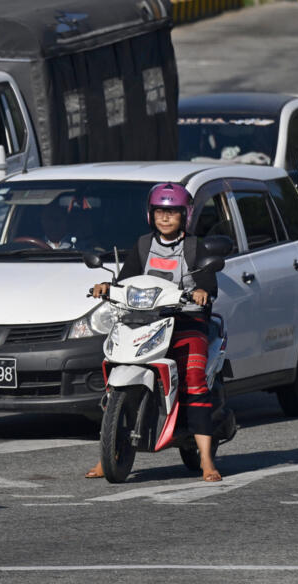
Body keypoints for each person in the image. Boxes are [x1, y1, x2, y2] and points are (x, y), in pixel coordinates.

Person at [86, 183, 222, 482]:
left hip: (187, 324)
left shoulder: (194, 247)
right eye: (160, 211)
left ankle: (208, 461)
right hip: (146, 322)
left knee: (195, 380)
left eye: (172, 212)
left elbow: (209, 281)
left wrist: (201, 291)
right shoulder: (143, 245)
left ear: (184, 215)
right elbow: (125, 280)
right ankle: (106, 455)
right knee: (117, 372)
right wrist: (107, 288)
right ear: (151, 214)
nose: (165, 218)